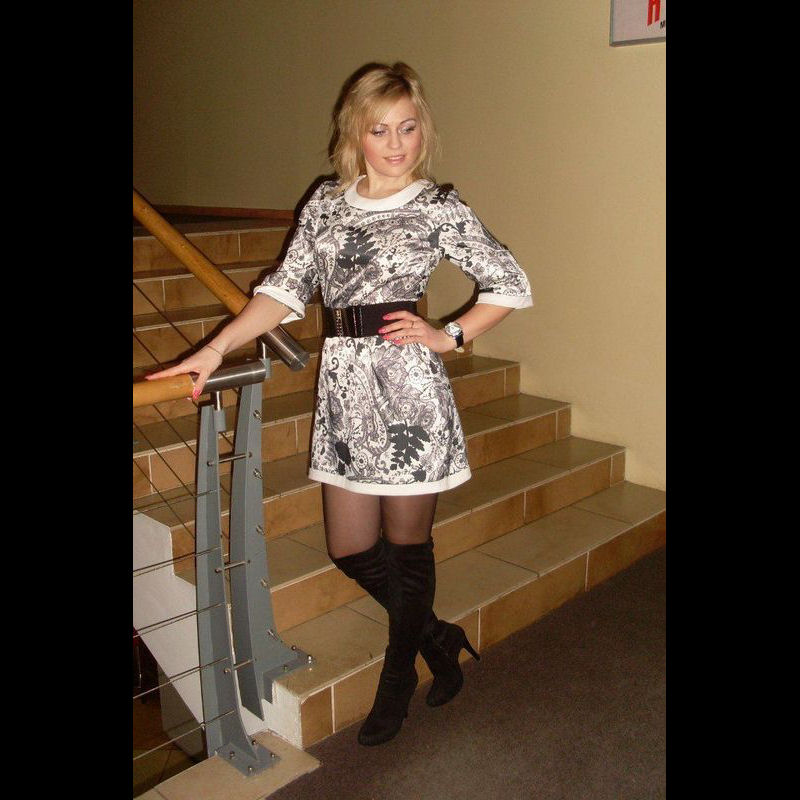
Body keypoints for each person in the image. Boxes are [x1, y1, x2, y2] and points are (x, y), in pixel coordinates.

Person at [147, 62, 533, 747]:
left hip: (409, 392)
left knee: (407, 548)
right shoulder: (325, 203)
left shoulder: (437, 205)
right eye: (380, 130)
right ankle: (437, 636)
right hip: (346, 391)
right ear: (354, 133)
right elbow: (284, 290)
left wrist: (448, 335)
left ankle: (398, 677)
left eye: (408, 127)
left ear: (423, 130)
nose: (396, 143)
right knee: (349, 547)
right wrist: (214, 349)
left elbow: (510, 283)